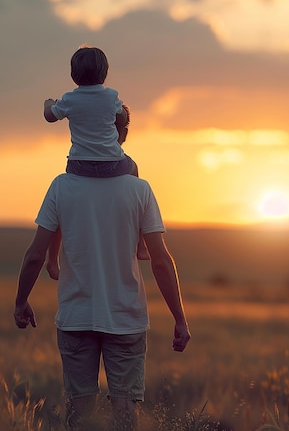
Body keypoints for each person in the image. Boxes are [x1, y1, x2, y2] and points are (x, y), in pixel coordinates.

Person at [14, 169, 191, 430]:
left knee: (80, 412)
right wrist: (180, 319)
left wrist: (21, 300)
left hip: (76, 317)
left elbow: (33, 256)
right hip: (126, 318)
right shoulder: (139, 189)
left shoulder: (62, 186)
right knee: (125, 411)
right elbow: (162, 262)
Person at [43, 45, 147, 280]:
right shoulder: (111, 96)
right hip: (113, 163)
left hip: (79, 166)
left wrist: (49, 103)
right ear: (105, 73)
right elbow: (121, 115)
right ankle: (141, 243)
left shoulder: (69, 99)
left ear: (73, 74)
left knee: (61, 207)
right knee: (135, 170)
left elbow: (50, 116)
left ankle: (52, 259)